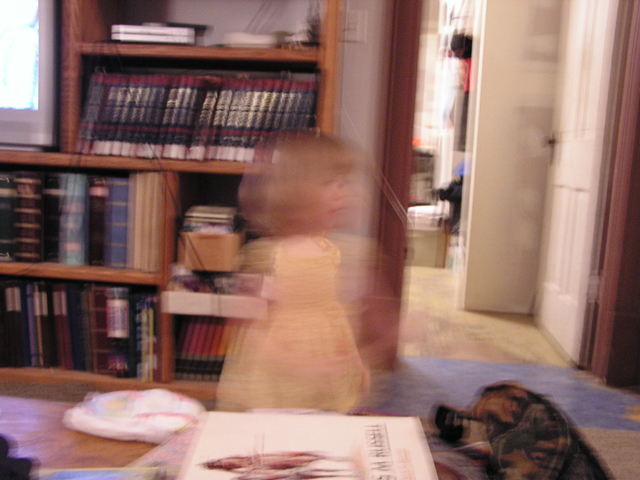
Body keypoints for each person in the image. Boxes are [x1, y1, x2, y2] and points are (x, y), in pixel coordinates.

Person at [215, 132, 370, 413]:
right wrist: (304, 366)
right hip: (279, 373)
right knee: (280, 423)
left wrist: (356, 363)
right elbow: (252, 331)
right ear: (295, 191)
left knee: (320, 423)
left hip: (324, 366)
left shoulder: (330, 250)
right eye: (328, 183)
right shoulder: (268, 257)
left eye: (343, 182)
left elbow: (334, 312)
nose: (341, 192)